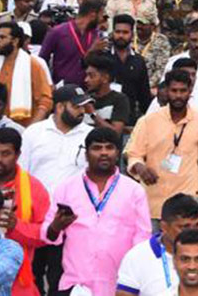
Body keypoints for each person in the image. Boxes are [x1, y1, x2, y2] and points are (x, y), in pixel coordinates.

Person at [40, 127, 151, 296]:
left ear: (118, 152)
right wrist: (56, 226)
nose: (104, 153)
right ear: (86, 153)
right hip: (77, 285)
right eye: (97, 148)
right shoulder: (66, 188)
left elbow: (142, 238)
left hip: (120, 286)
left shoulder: (134, 191)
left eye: (109, 147)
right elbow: (48, 236)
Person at [126, 69, 198, 220]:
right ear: (166, 91)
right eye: (174, 90)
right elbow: (133, 154)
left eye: (183, 91)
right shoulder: (147, 121)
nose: (178, 95)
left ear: (190, 91)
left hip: (190, 201)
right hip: (155, 201)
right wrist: (140, 167)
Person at [0, 127, 51, 296]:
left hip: (18, 283)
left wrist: (17, 227)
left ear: (18, 155)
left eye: (5, 154)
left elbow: (46, 235)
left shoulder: (34, 188)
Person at [116, 193, 198, 295]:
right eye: (184, 227)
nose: (192, 232)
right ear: (164, 227)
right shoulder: (137, 257)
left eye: (196, 225)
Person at [0, 21, 52, 125]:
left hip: (22, 128)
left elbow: (45, 101)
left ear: (15, 41)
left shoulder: (33, 65)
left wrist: (31, 130)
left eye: (2, 38)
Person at [20, 85, 91, 193]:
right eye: (76, 107)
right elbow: (21, 171)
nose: (82, 111)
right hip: (38, 204)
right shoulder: (33, 133)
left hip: (75, 206)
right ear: (60, 107)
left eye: (83, 107)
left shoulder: (90, 135)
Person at [37, 0, 106, 87]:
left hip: (88, 90)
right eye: (102, 15)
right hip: (62, 90)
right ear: (93, 15)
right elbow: (41, 61)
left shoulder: (96, 35)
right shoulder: (58, 32)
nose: (103, 19)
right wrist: (49, 84)